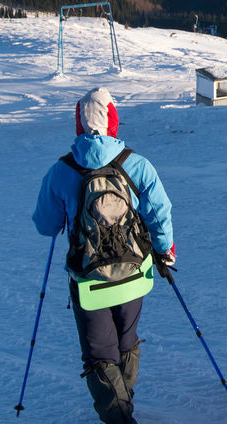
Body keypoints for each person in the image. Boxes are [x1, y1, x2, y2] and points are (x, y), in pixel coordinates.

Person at [33, 86, 176, 424]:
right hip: (134, 274)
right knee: (126, 342)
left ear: (79, 125)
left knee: (99, 355)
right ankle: (123, 408)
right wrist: (165, 250)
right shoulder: (135, 164)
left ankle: (119, 416)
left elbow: (45, 226)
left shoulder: (61, 171)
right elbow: (160, 212)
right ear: (113, 122)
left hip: (89, 281)